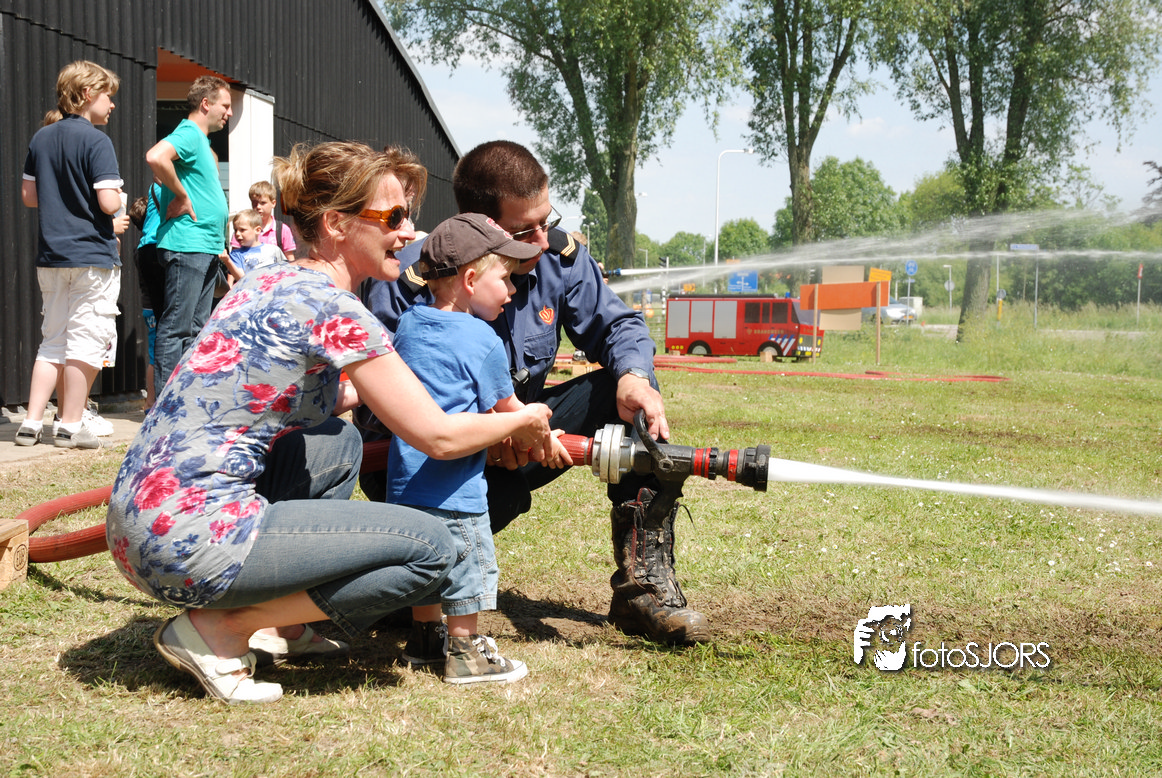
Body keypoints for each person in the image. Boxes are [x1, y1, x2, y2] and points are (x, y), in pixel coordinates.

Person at [105, 141, 557, 704]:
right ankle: (222, 628)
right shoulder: (335, 309)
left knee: (337, 445)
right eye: (393, 217)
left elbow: (312, 395)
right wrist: (522, 419)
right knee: (433, 548)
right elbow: (439, 437)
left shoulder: (267, 281)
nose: (408, 232)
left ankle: (287, 625)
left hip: (137, 526)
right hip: (190, 539)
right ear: (337, 224)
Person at [363, 140, 709, 645]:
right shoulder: (411, 275)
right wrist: (482, 433)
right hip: (426, 462)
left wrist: (634, 375)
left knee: (628, 393)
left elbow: (618, 327)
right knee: (435, 553)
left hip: (517, 436)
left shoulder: (557, 258)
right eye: (525, 231)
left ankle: (642, 588)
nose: (543, 241)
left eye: (547, 220)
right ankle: (409, 574)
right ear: (481, 227)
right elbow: (379, 407)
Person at [390, 213, 569, 684]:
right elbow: (510, 410)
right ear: (470, 280)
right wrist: (545, 436)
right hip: (457, 491)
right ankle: (466, 654)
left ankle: (425, 640)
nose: (511, 290)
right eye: (504, 279)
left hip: (405, 485)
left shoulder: (408, 324)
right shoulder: (481, 337)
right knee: (466, 567)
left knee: (426, 563)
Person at [17, 61, 125, 450]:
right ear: (86, 94)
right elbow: (108, 202)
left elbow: (29, 196)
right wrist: (118, 200)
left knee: (52, 341)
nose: (112, 104)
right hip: (92, 257)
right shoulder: (97, 142)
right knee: (86, 342)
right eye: (108, 95)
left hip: (52, 257)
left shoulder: (41, 138)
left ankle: (31, 423)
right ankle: (69, 426)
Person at [146, 75, 232, 400]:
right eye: (225, 105)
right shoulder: (190, 133)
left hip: (204, 246)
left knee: (196, 331)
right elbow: (156, 156)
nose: (229, 113)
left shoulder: (200, 141)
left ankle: (188, 401)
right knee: (177, 328)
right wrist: (181, 196)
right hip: (188, 244)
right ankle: (167, 407)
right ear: (206, 103)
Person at [128, 187, 164, 409]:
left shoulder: (138, 250)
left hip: (147, 306)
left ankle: (150, 401)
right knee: (157, 354)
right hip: (155, 306)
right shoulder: (154, 247)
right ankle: (152, 402)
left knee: (153, 354)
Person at [229, 180, 296, 260]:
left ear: (273, 203)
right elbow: (235, 258)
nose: (258, 207)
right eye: (255, 203)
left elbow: (289, 258)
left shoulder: (282, 230)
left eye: (263, 203)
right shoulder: (243, 229)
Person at [225, 208, 285, 278]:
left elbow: (285, 271)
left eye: (242, 230)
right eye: (236, 230)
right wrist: (227, 261)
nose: (237, 234)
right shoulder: (235, 255)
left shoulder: (273, 250)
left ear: (257, 230)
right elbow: (242, 279)